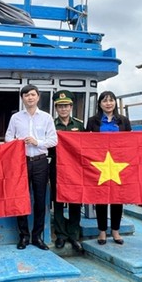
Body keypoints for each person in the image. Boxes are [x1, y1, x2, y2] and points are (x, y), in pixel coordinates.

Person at [5, 84, 58, 250]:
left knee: (40, 200)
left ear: (38, 97)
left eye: (33, 95)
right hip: (21, 162)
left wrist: (38, 142)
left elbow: (53, 140)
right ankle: (24, 236)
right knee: (21, 198)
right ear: (22, 98)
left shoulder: (47, 117)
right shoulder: (16, 118)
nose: (30, 98)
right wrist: (17, 143)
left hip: (41, 161)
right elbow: (8, 137)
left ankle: (37, 236)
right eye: (26, 95)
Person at [85, 91, 130, 245]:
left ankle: (116, 231)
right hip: (99, 166)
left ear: (115, 103)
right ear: (99, 104)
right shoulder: (93, 121)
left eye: (111, 100)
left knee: (118, 198)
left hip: (119, 166)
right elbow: (86, 143)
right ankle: (102, 231)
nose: (108, 103)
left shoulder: (123, 121)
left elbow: (131, 142)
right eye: (104, 101)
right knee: (101, 198)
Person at [48, 90, 84, 252]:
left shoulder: (79, 125)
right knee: (59, 202)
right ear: (56, 108)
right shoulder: (51, 125)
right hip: (57, 167)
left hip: (76, 169)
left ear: (71, 107)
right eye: (60, 106)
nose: (63, 109)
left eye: (66, 106)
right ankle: (61, 235)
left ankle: (74, 234)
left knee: (76, 201)